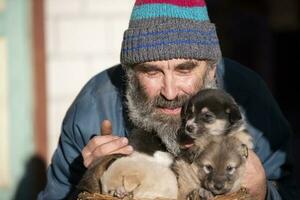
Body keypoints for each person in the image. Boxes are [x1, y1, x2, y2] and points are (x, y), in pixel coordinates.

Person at [38, 0, 299, 199]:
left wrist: (265, 191)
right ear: (130, 73)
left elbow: (291, 187)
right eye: (152, 71)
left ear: (210, 68)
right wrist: (91, 182)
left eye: (185, 69)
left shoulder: (246, 97)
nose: (171, 93)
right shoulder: (92, 110)